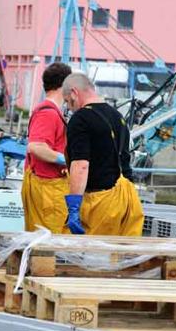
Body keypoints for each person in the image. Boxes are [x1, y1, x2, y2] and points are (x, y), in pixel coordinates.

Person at [61, 73, 144, 235]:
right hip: (128, 200)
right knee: (122, 249)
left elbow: (81, 165)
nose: (69, 107)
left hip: (101, 203)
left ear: (74, 93)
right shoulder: (118, 116)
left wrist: (74, 207)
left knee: (88, 250)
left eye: (67, 101)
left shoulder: (81, 119)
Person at [21, 62, 72, 233]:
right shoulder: (48, 113)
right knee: (51, 241)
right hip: (48, 191)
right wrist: (67, 160)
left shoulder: (50, 111)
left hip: (49, 188)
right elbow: (36, 147)